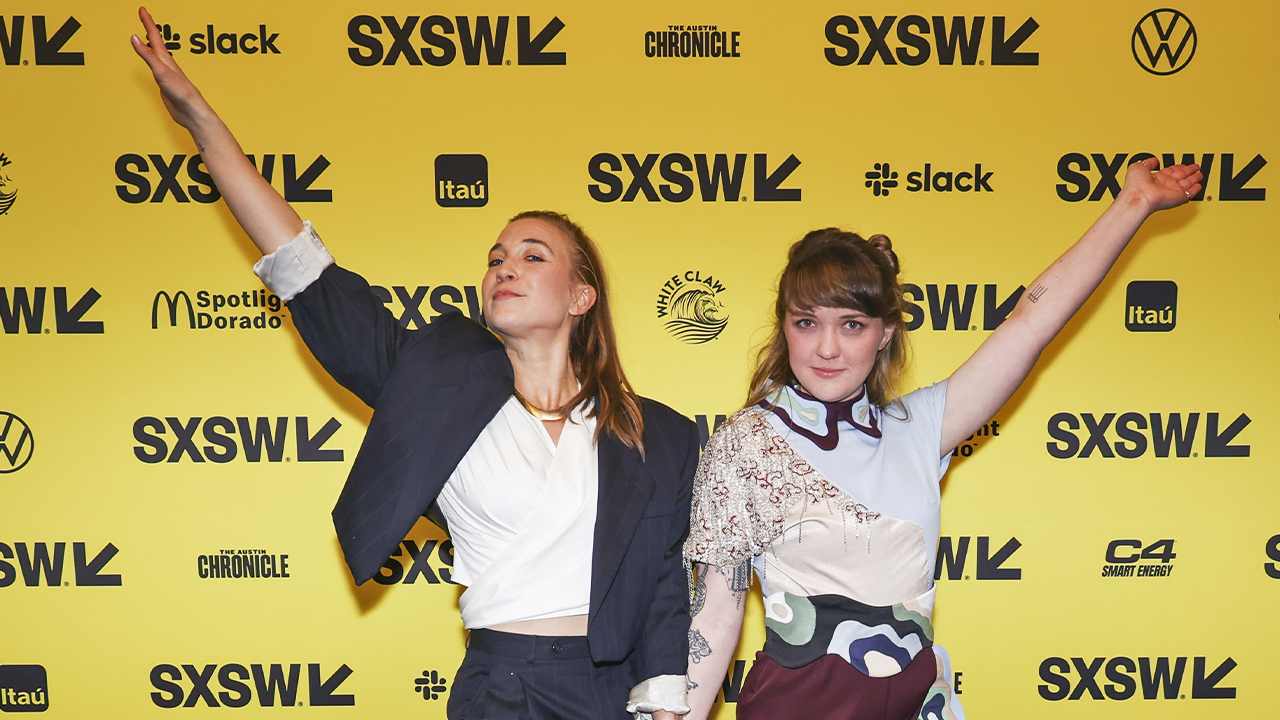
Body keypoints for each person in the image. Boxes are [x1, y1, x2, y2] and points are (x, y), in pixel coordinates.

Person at [130, 8, 696, 720]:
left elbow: (666, 584)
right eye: (495, 257)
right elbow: (309, 275)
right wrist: (202, 122)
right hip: (500, 688)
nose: (505, 267)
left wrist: (665, 699)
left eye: (532, 256)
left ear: (582, 296)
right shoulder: (438, 383)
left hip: (609, 693)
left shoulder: (657, 433)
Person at [681, 160, 1203, 719]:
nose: (826, 348)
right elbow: (716, 616)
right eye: (806, 322)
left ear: (885, 333)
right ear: (784, 327)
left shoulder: (919, 427)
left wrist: (1133, 204)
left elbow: (1031, 322)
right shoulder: (744, 443)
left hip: (919, 704)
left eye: (852, 324)